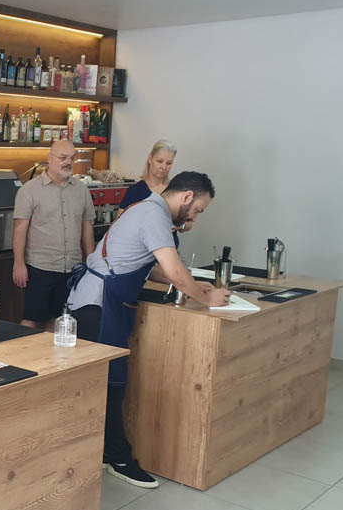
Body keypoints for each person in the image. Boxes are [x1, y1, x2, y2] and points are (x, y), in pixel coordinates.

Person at [67, 171, 230, 488]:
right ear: (186, 197)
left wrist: (196, 286)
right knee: (108, 386)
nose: (195, 218)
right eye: (197, 210)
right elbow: (174, 272)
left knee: (109, 386)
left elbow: (152, 269)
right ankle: (119, 458)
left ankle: (106, 453)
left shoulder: (147, 209)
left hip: (100, 303)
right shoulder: (153, 215)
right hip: (97, 305)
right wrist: (207, 298)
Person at [12, 139, 96, 328]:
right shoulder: (29, 190)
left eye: (72, 158)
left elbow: (87, 227)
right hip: (40, 267)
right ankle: (23, 348)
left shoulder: (81, 190)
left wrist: (91, 263)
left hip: (71, 269)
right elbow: (20, 229)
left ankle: (48, 350)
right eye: (63, 157)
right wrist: (18, 263)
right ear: (49, 158)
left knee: (59, 321)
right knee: (32, 319)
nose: (68, 162)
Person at [115, 139, 176, 219]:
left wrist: (177, 225)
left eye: (169, 163)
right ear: (150, 159)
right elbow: (119, 221)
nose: (164, 167)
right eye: (159, 161)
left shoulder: (175, 190)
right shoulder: (134, 191)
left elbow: (187, 222)